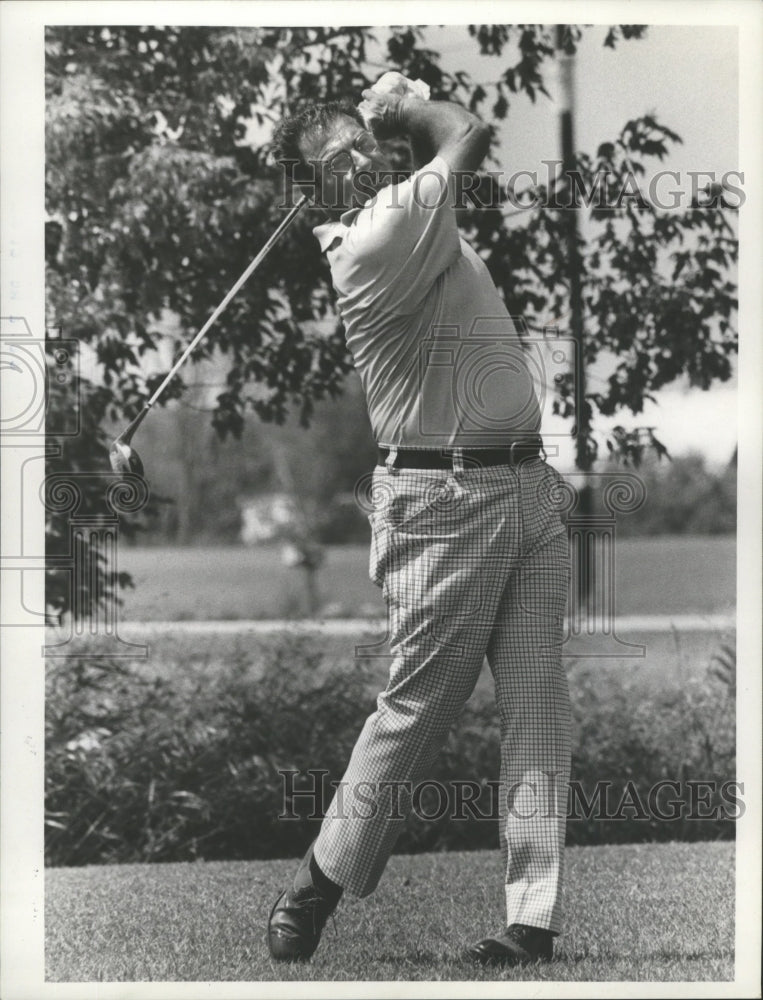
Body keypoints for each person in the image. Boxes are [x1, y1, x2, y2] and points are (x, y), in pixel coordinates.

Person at [267, 80, 572, 968]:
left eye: (362, 141)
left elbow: (443, 159)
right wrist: (407, 107)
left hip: (525, 485)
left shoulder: (408, 214)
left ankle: (531, 921)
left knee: (538, 707)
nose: (361, 158)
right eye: (339, 158)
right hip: (444, 506)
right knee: (418, 708)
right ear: (318, 190)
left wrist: (392, 129)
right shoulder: (372, 240)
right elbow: (465, 131)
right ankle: (318, 880)